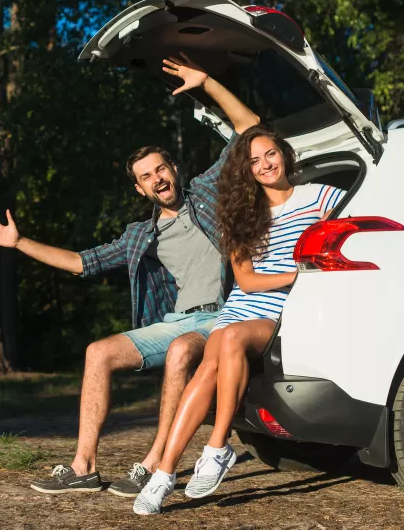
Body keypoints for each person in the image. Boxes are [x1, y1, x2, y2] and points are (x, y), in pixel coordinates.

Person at [0, 54, 260, 496]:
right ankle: (83, 466)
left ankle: (154, 464)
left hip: (221, 317)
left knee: (184, 351)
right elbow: (79, 262)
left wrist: (205, 82)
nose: (158, 179)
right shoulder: (139, 235)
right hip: (175, 320)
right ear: (139, 188)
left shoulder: (206, 192)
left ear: (174, 169)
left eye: (161, 169)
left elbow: (249, 130)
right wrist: (19, 244)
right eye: (147, 177)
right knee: (98, 352)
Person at [131, 125, 346, 515]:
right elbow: (245, 280)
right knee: (209, 363)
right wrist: (297, 273)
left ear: (285, 154)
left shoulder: (320, 197)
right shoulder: (243, 215)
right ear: (245, 171)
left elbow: (353, 234)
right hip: (240, 307)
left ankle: (216, 448)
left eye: (270, 154)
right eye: (254, 161)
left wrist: (312, 276)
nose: (264, 165)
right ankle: (164, 473)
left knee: (227, 341)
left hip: (285, 311)